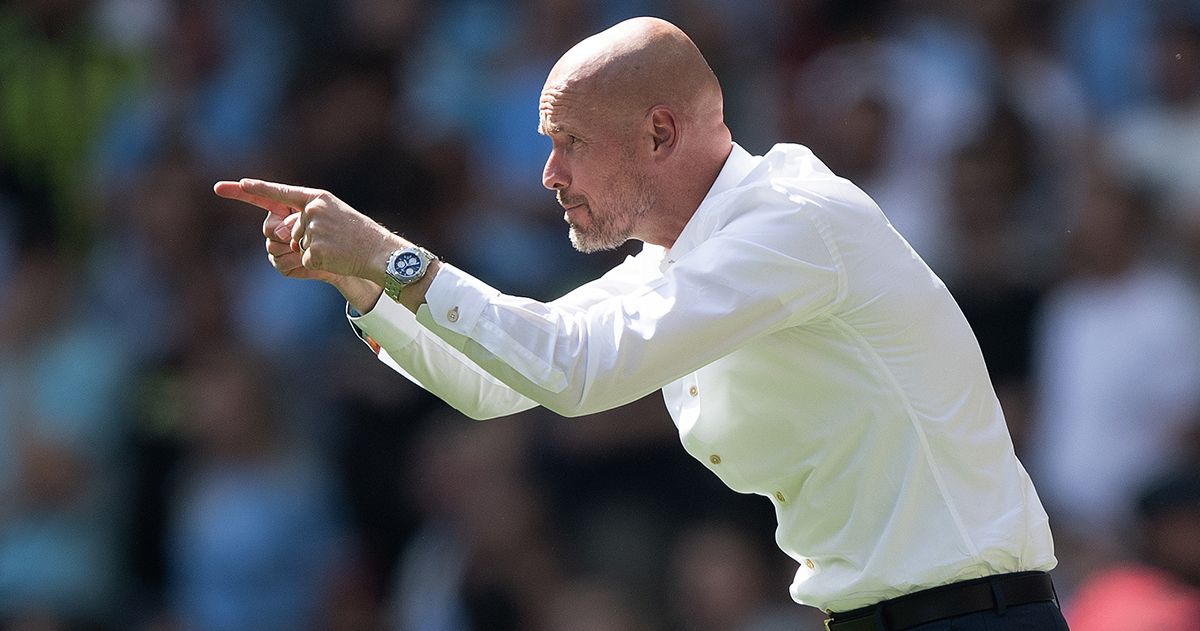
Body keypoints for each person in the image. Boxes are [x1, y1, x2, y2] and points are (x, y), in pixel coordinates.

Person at [215, 16, 1067, 630]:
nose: (547, 173)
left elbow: (574, 373)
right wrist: (360, 282)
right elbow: (493, 383)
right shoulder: (683, 253)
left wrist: (392, 253)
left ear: (660, 132)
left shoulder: (795, 221)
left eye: (571, 141)